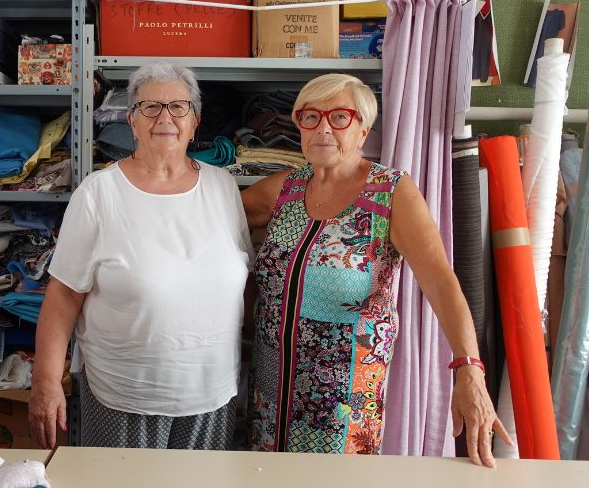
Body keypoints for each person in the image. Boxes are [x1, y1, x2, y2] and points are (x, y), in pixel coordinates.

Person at [241, 73, 512, 467]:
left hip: (342, 402)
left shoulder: (390, 193)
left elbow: (440, 279)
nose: (323, 128)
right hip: (270, 389)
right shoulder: (283, 190)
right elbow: (214, 222)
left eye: (339, 117)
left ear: (364, 129)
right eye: (310, 116)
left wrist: (469, 369)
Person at [29, 62, 253, 451]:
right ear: (132, 121)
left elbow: (241, 281)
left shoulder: (223, 187)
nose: (165, 117)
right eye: (151, 107)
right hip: (124, 395)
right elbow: (64, 293)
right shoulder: (99, 192)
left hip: (211, 396)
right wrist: (46, 382)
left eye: (178, 107)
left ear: (195, 120)